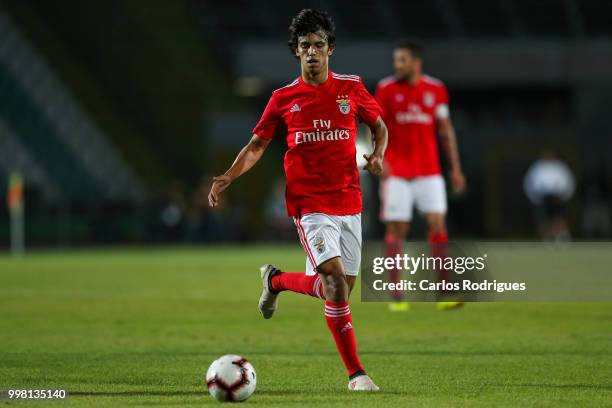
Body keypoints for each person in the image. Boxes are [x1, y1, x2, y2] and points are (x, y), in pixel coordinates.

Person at [208, 9, 388, 391]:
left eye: (318, 46)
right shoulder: (282, 98)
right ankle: (357, 374)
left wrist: (378, 154)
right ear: (296, 52)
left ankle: (275, 281)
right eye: (304, 46)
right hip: (309, 205)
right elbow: (257, 145)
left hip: (349, 203)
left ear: (330, 49)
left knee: (334, 289)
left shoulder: (351, 88)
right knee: (336, 285)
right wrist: (230, 175)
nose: (311, 53)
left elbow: (379, 125)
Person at [375, 41, 466, 311]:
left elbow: (446, 130)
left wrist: (456, 168)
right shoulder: (386, 89)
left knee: (438, 224)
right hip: (397, 172)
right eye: (396, 60)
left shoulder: (435, 89)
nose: (397, 65)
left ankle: (444, 290)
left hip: (429, 171)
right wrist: (380, 158)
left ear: (416, 62)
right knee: (397, 229)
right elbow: (376, 126)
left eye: (402, 60)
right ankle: (395, 292)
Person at [524, 150, 575, 241]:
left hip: (558, 197)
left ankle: (562, 238)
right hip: (542, 198)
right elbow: (529, 183)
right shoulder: (536, 167)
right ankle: (547, 238)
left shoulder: (560, 167)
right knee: (544, 220)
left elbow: (569, 182)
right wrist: (534, 198)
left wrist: (565, 196)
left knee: (559, 218)